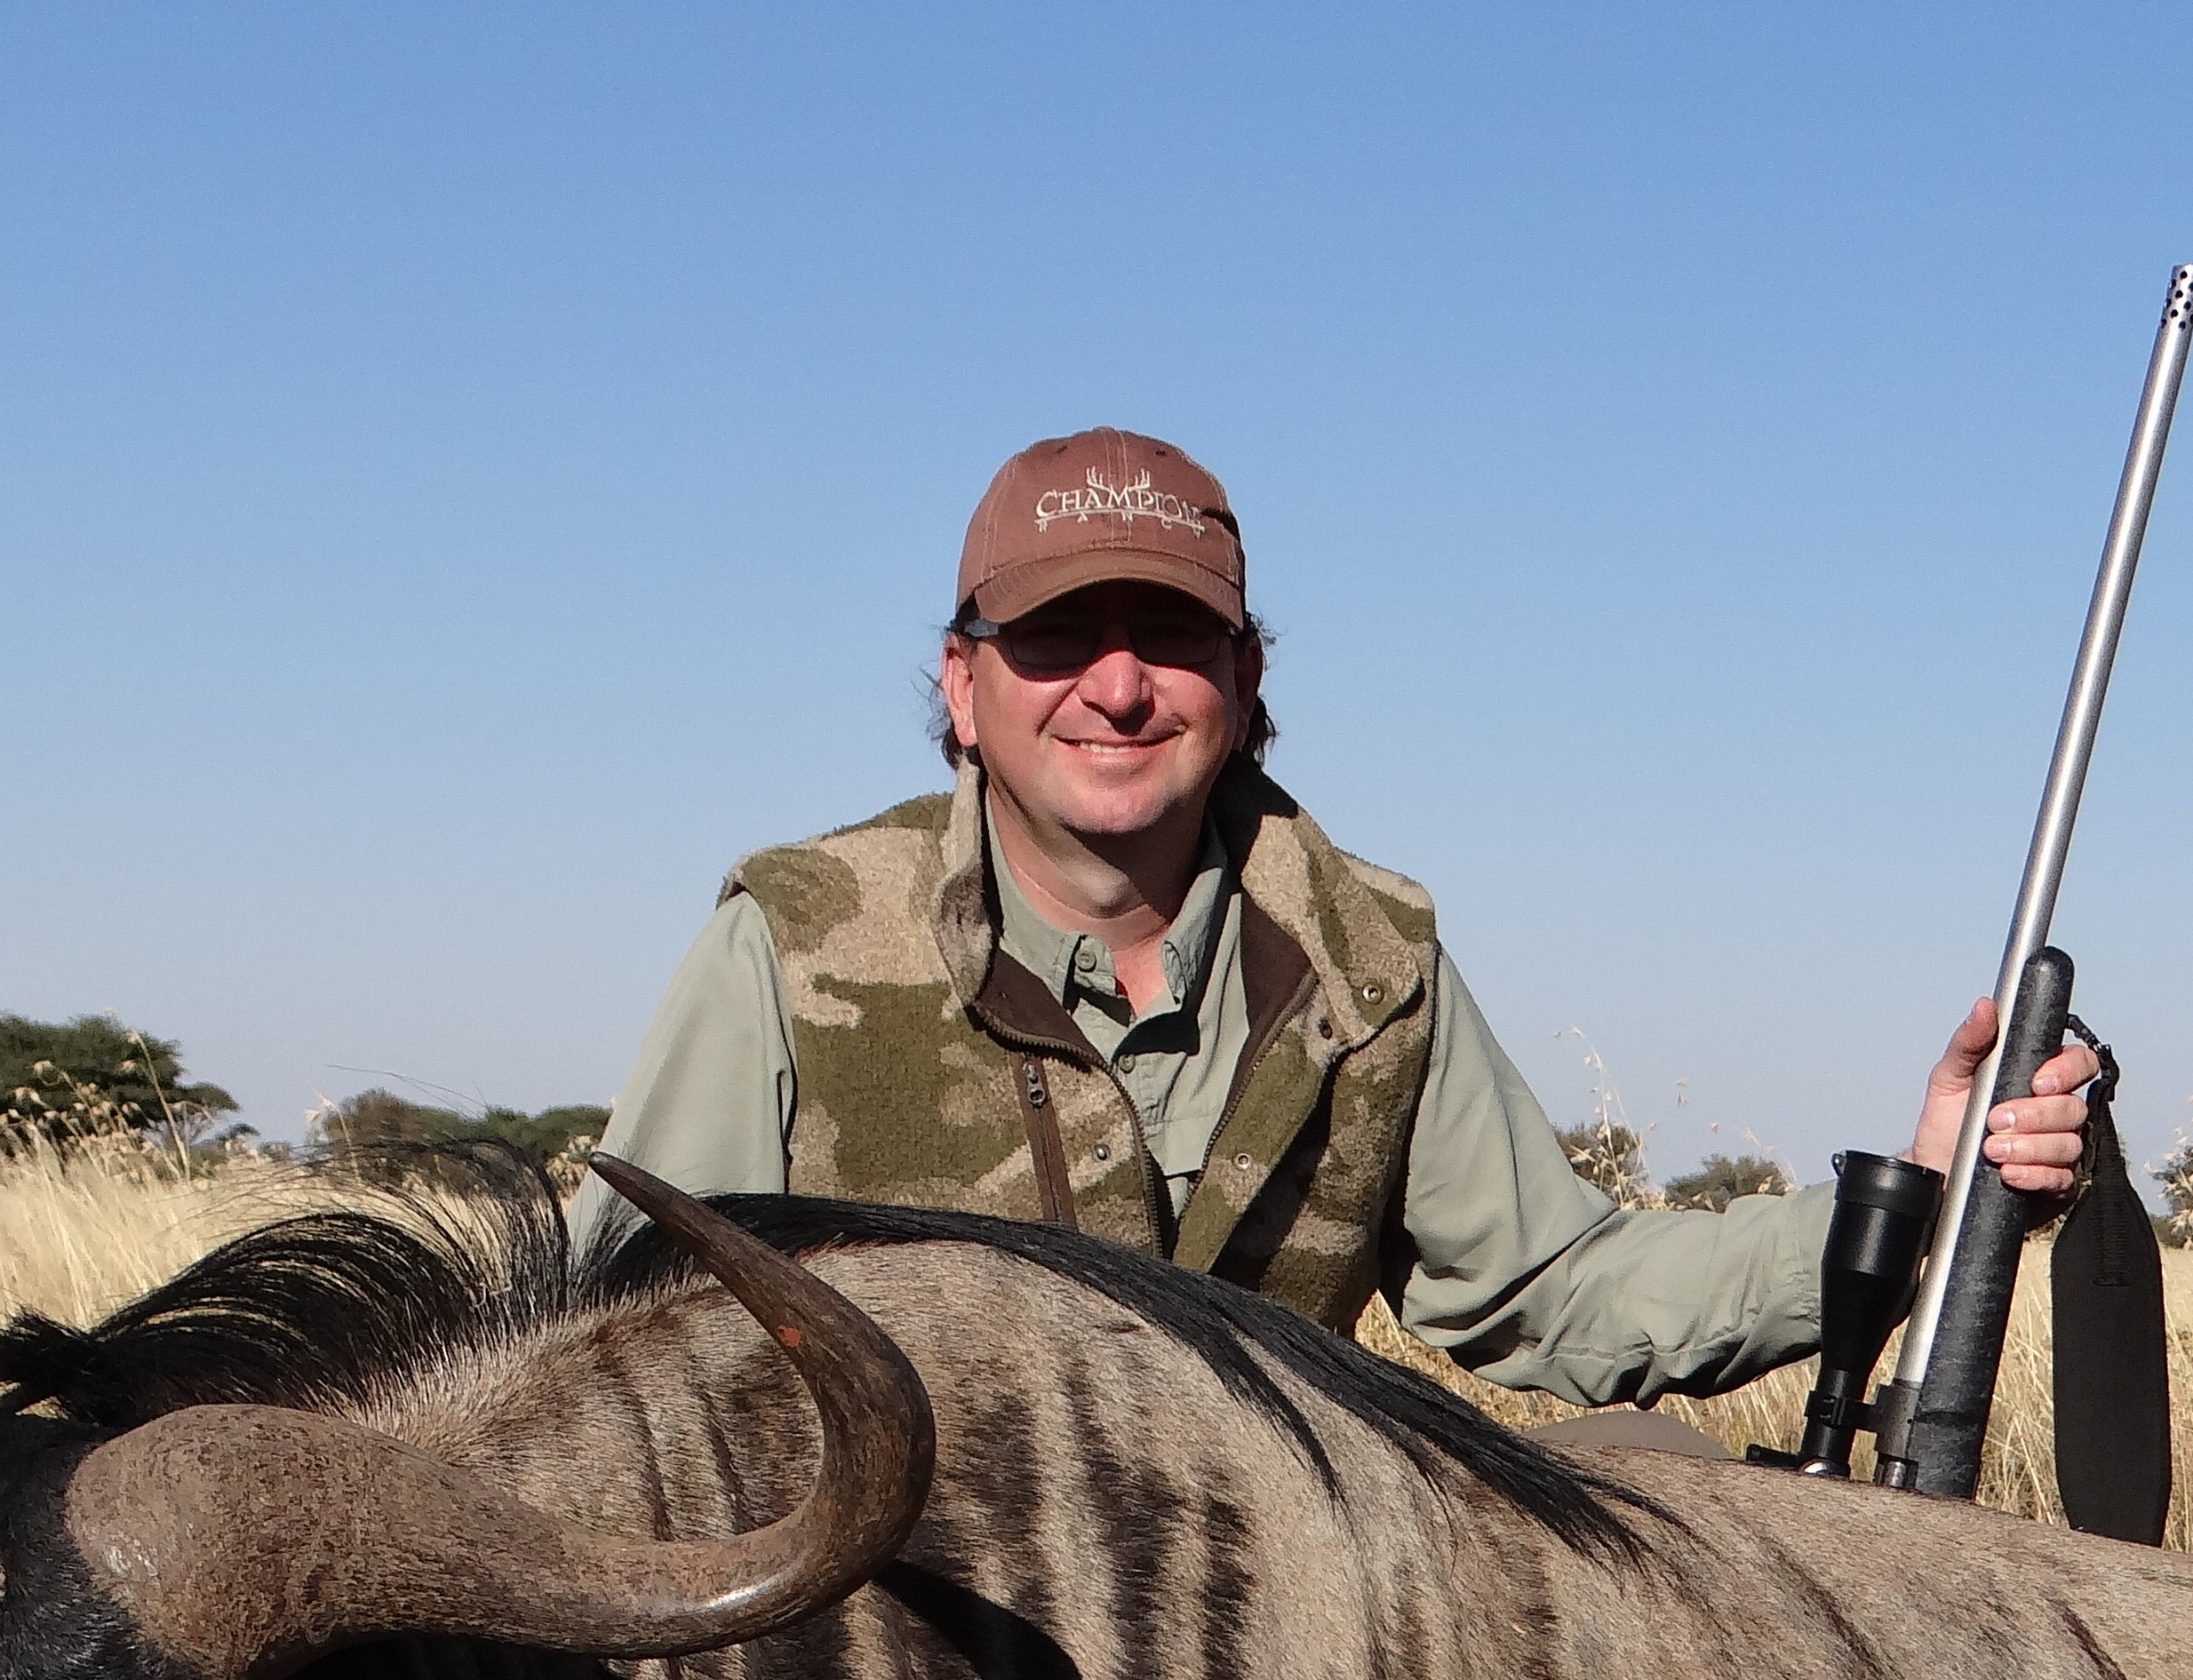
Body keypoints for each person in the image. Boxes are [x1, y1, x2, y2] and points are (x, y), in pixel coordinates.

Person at [570, 428, 2092, 1409]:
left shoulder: (1375, 965)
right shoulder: (795, 940)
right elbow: (598, 1342)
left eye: (1171, 636)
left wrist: (1913, 1196)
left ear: (1243, 686)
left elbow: (1557, 1296)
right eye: (1053, 640)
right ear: (963, 692)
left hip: (1262, 1664)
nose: (1114, 685)